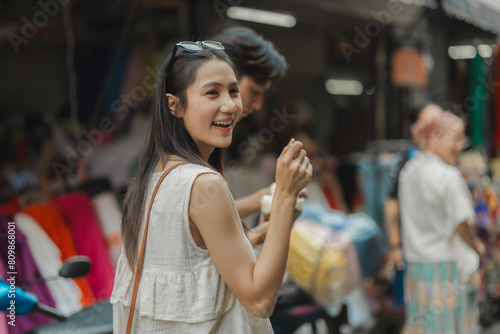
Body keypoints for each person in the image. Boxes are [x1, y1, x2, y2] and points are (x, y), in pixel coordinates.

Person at [110, 41, 313, 333]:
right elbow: (259, 301)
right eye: (211, 92)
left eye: (233, 90)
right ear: (175, 105)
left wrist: (254, 233)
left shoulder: (150, 181)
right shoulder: (205, 183)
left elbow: (195, 252)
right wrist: (284, 197)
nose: (230, 105)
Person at [398, 111, 483, 333]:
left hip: (416, 264)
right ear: (434, 137)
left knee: (419, 324)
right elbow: (462, 224)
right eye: (455, 139)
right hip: (446, 268)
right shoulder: (448, 175)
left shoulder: (409, 170)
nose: (459, 146)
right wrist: (478, 247)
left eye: (461, 139)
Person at [211, 27, 290, 243]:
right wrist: (266, 233)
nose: (257, 104)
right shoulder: (197, 147)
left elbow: (207, 216)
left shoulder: (212, 142)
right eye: (254, 90)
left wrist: (268, 197)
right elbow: (200, 231)